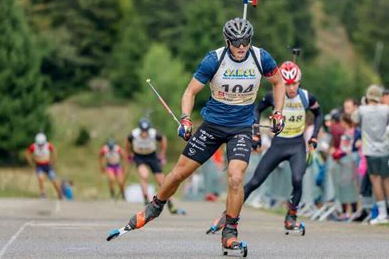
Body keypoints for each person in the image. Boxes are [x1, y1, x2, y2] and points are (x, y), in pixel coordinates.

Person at [111, 18, 285, 251]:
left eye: (246, 41)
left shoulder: (261, 57)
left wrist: (278, 113)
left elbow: (279, 82)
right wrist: (185, 118)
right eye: (236, 42)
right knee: (177, 175)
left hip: (242, 127)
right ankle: (154, 207)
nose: (241, 46)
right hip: (212, 126)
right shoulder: (214, 59)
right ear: (227, 41)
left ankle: (230, 232)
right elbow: (190, 92)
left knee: (235, 177)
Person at [207, 61, 322, 233]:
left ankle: (291, 217)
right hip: (278, 145)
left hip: (297, 145)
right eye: (287, 84)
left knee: (298, 179)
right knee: (254, 181)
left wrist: (313, 137)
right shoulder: (273, 96)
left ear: (299, 81)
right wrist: (255, 134)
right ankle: (227, 216)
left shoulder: (307, 97)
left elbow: (319, 115)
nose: (291, 88)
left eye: (294, 84)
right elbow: (256, 110)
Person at [353, 85, 389, 224]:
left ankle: (382, 213)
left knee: (375, 181)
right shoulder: (386, 109)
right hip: (384, 148)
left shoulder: (363, 110)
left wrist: (363, 103)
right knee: (387, 180)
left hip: (370, 150)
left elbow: (354, 119)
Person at [126, 118, 180, 213]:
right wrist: (129, 154)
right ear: (139, 129)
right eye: (142, 131)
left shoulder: (153, 133)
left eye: (146, 131)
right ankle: (146, 198)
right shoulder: (133, 134)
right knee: (144, 175)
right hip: (139, 156)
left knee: (161, 180)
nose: (144, 133)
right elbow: (127, 143)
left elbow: (163, 139)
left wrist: (162, 154)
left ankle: (170, 201)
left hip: (151, 156)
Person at [25, 133, 62, 199]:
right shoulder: (33, 146)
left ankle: (60, 194)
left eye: (42, 144)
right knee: (40, 179)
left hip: (47, 165)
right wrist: (31, 162)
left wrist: (53, 160)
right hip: (39, 166)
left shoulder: (48, 145)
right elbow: (27, 153)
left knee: (53, 179)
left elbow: (54, 151)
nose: (41, 146)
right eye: (39, 144)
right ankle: (43, 193)